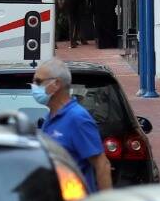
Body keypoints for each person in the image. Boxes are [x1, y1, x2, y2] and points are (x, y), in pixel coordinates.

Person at [33, 58, 112, 192]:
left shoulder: (77, 118)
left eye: (38, 82)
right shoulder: (49, 118)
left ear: (56, 84)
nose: (34, 86)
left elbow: (101, 165)